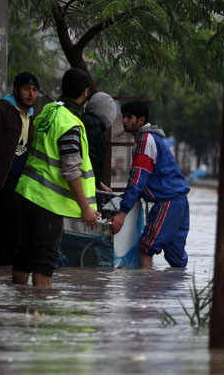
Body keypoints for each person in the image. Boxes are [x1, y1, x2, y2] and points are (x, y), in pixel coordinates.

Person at [13, 68, 98, 287]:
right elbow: (70, 170)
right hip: (46, 202)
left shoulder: (48, 111)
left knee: (25, 251)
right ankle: (42, 312)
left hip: (26, 192)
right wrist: (85, 207)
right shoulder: (69, 123)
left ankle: (18, 304)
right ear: (85, 93)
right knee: (44, 258)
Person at [108, 100, 190, 269]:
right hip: (179, 201)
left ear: (141, 119)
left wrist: (122, 213)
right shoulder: (151, 139)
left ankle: (145, 292)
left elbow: (138, 179)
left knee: (145, 247)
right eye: (124, 117)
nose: (124, 121)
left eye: (129, 117)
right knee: (176, 257)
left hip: (168, 202)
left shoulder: (145, 140)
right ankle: (180, 293)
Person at [0, 72, 40, 266]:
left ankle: (6, 275)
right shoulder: (3, 109)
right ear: (16, 90)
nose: (31, 94)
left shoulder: (32, 116)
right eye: (26, 89)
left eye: (35, 90)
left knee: (13, 233)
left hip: (18, 183)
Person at [80, 91, 117, 191]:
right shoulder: (94, 127)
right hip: (85, 187)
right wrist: (93, 185)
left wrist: (99, 184)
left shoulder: (85, 121)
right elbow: (91, 160)